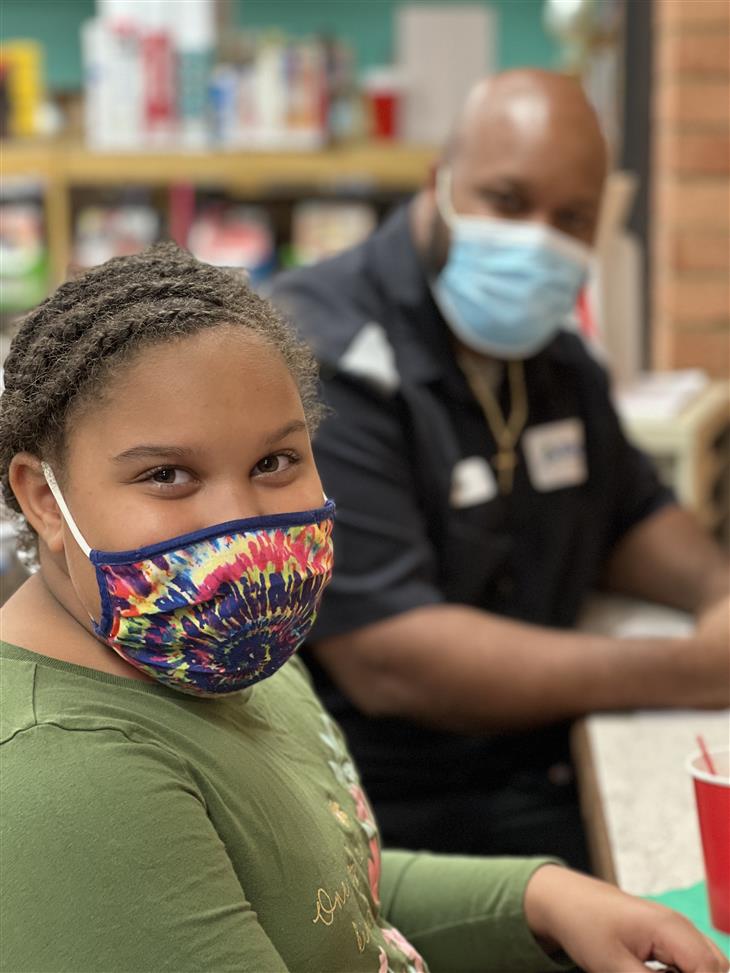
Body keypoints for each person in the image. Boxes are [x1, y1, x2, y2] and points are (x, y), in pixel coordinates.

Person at [1, 245, 727, 973]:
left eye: (274, 462)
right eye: (166, 475)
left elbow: (327, 888)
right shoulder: (72, 781)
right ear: (42, 497)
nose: (242, 526)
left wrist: (540, 897)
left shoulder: (226, 648)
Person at [270, 69, 730, 871]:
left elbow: (628, 514)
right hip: (388, 814)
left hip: (537, 766)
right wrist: (692, 670)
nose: (537, 241)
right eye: (510, 202)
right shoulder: (314, 360)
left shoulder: (554, 357)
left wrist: (718, 593)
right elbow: (393, 658)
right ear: (438, 185)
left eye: (572, 219)